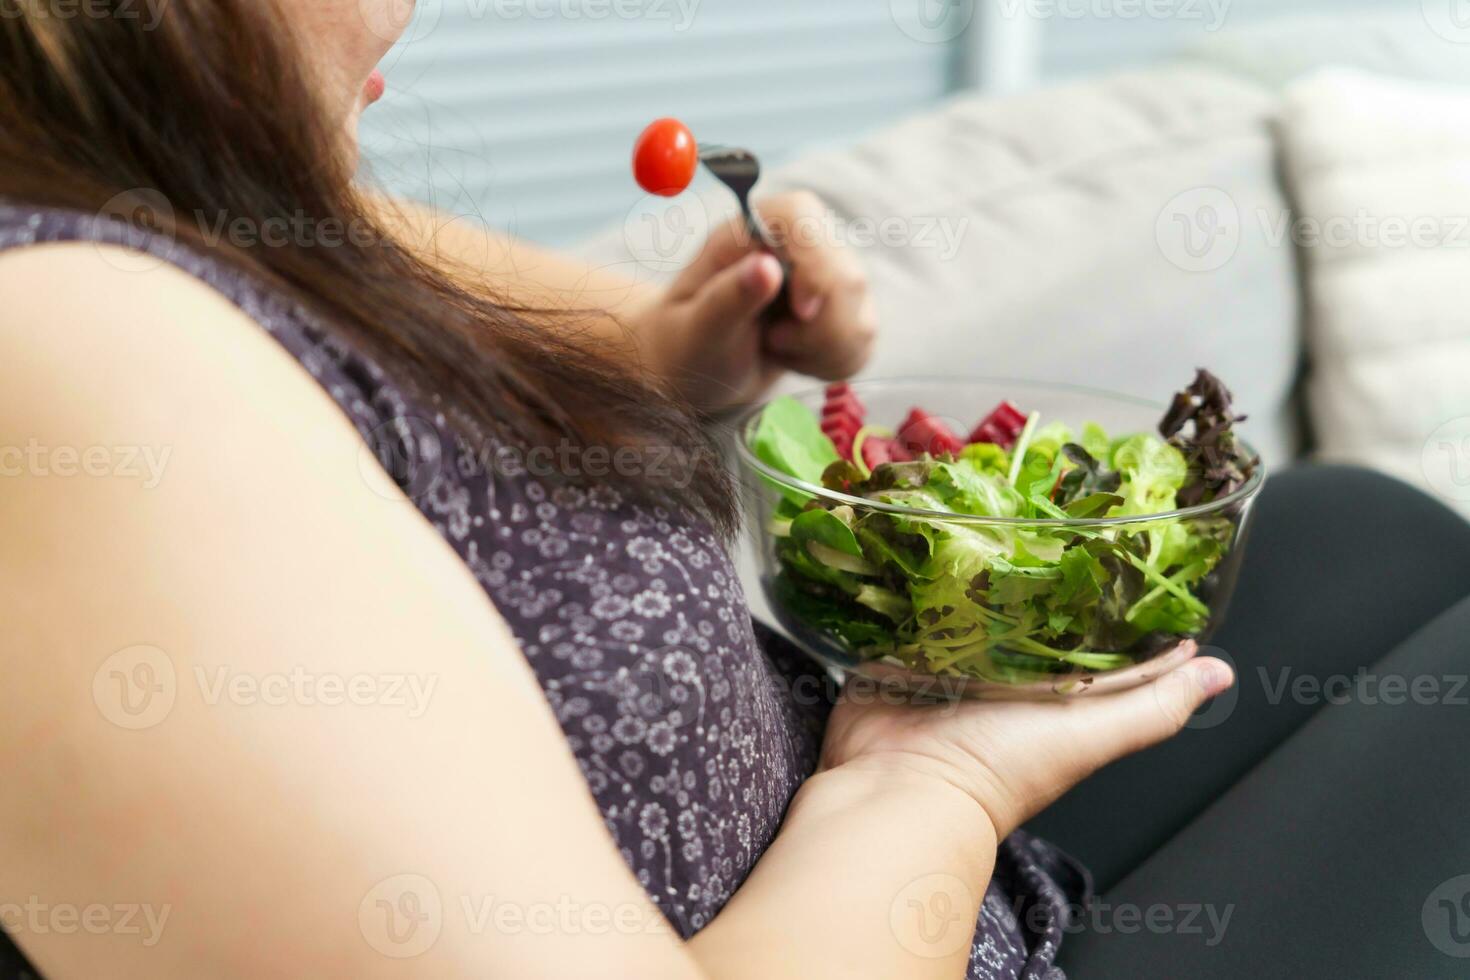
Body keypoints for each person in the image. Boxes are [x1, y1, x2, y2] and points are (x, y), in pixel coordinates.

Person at [5, 3, 1466, 979]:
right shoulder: (64, 358)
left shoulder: (176, 196)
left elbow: (479, 328)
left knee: (1367, 533)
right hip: (869, 888)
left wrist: (670, 356)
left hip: (869, 857)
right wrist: (932, 786)